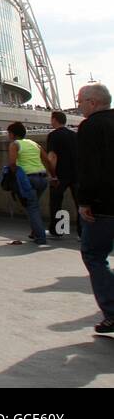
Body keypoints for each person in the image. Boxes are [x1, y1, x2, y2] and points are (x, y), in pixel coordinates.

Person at [75, 83, 114, 337]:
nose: (78, 105)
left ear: (92, 102)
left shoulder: (90, 127)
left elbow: (89, 168)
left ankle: (112, 312)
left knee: (94, 254)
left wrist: (85, 201)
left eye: (80, 100)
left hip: (104, 204)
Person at [6, 121, 49, 246]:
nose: (8, 136)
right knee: (32, 206)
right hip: (42, 179)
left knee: (32, 207)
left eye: (9, 133)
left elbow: (13, 164)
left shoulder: (14, 144)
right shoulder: (34, 143)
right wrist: (54, 176)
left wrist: (16, 175)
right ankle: (35, 231)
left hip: (28, 179)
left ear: (13, 134)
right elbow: (47, 160)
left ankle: (40, 237)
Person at [46, 110, 80, 238]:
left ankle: (57, 230)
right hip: (76, 173)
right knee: (79, 203)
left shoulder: (53, 135)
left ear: (54, 120)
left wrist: (52, 175)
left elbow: (52, 156)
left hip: (60, 174)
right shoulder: (74, 135)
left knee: (56, 202)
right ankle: (82, 233)